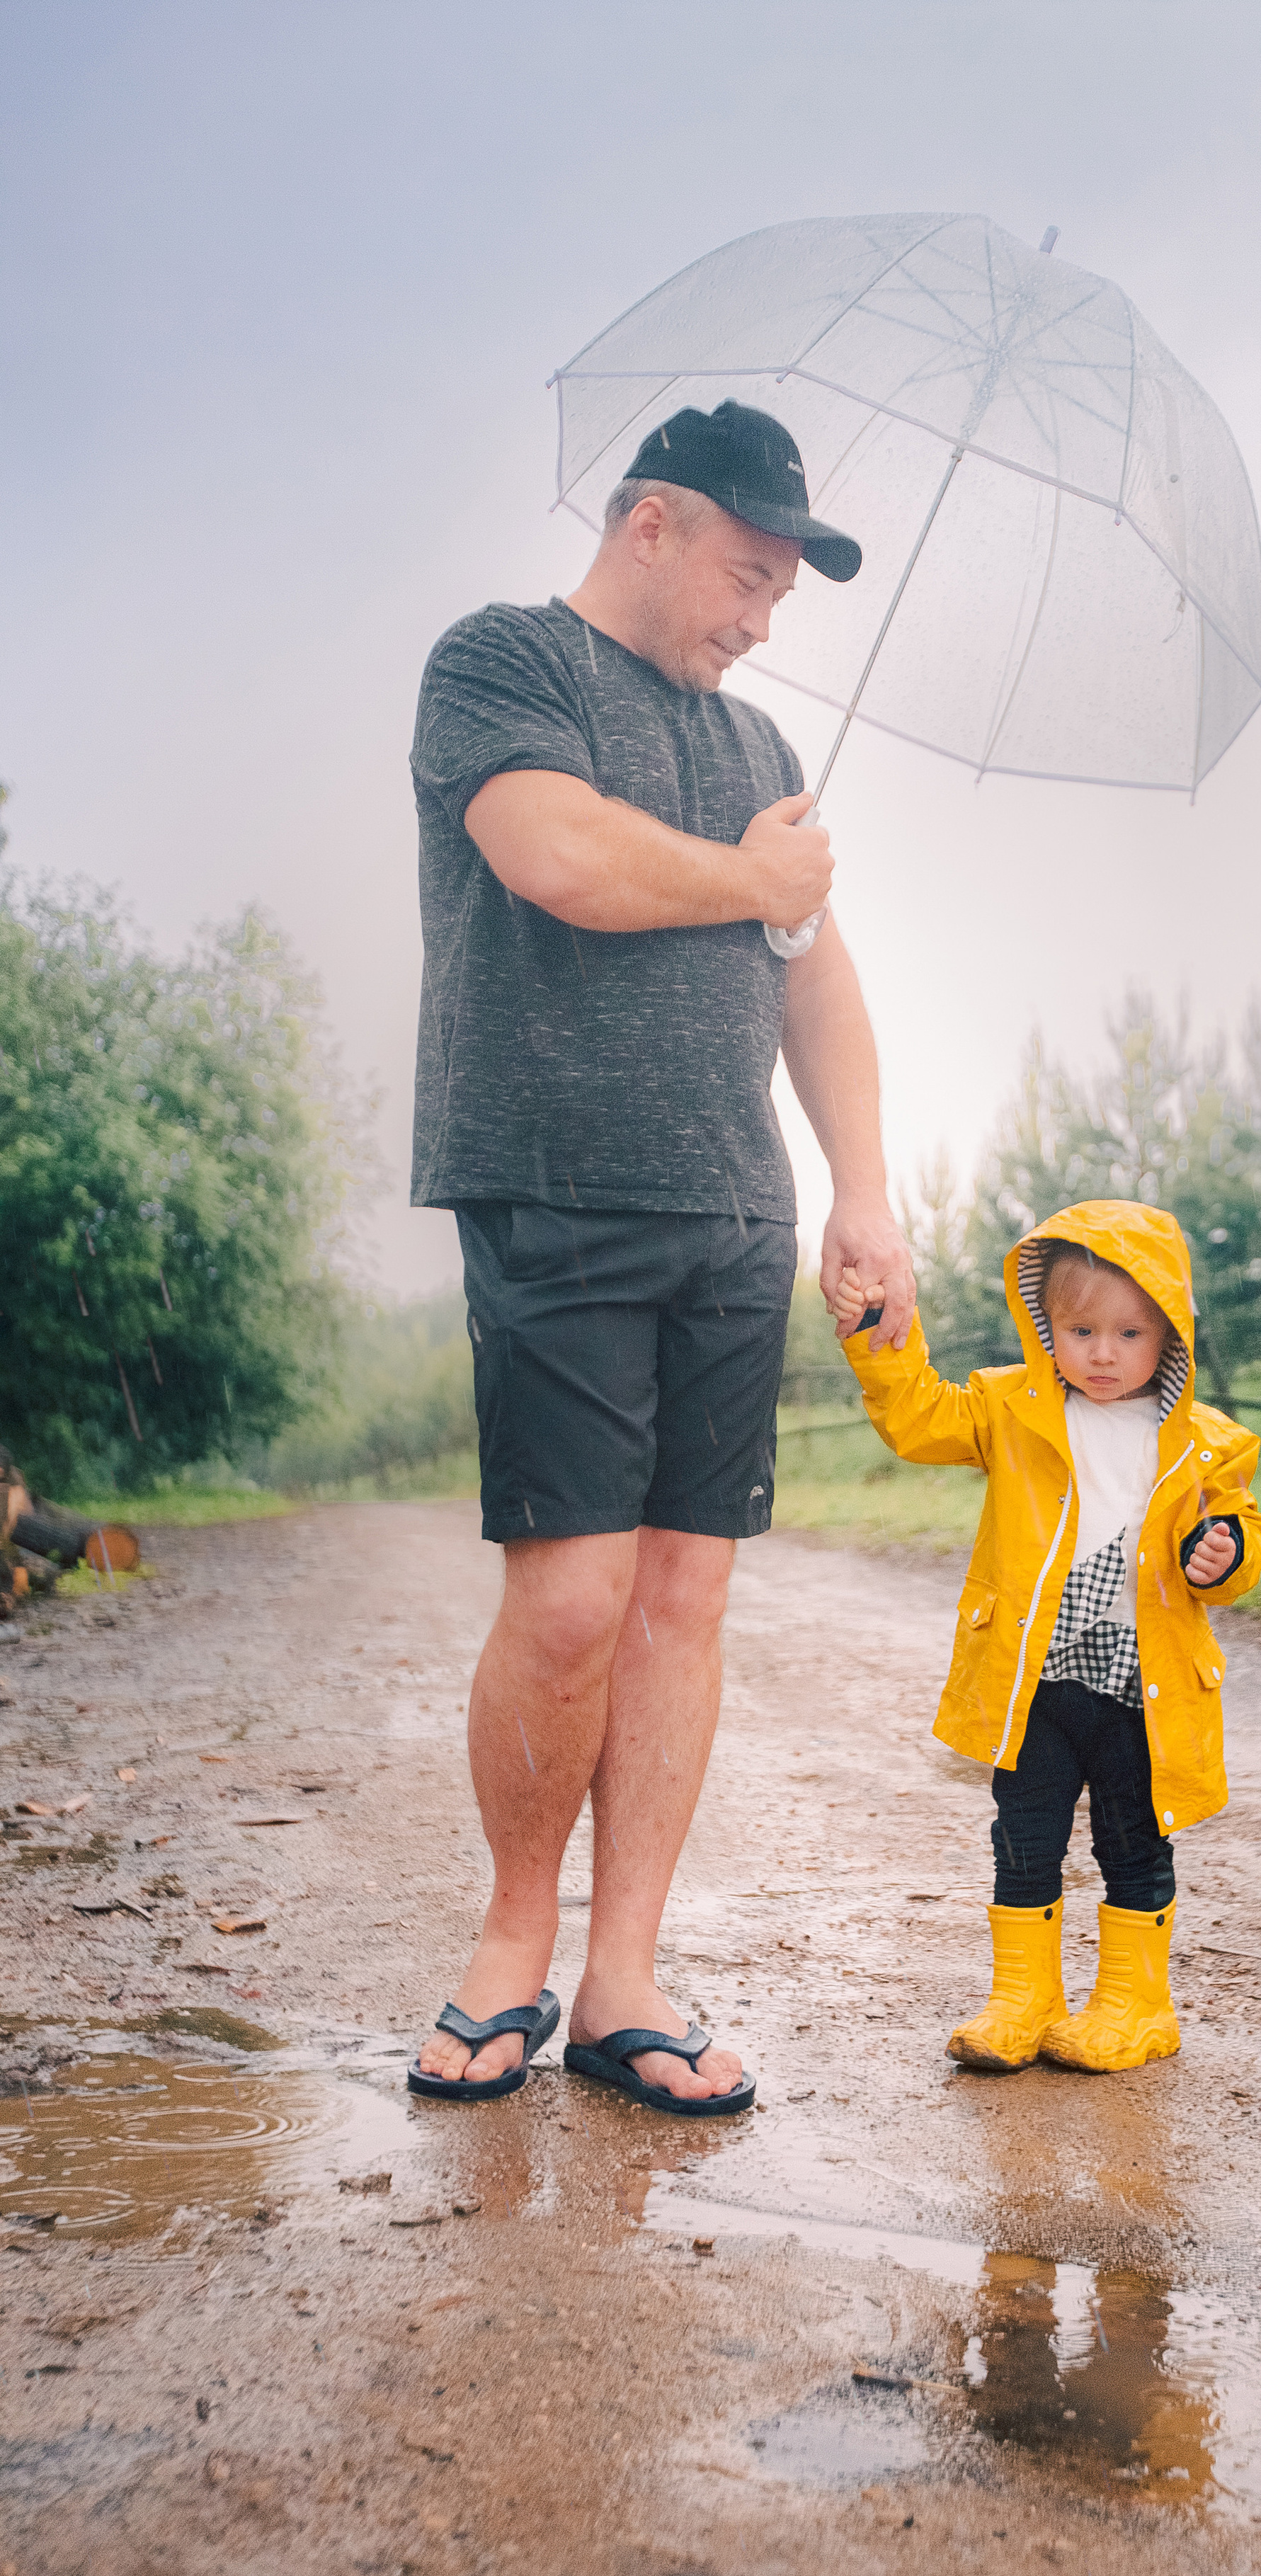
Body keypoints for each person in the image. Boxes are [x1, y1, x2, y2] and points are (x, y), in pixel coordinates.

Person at [405, 399, 915, 2111]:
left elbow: (815, 978)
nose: (762, 619)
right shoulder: (502, 664)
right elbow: (553, 854)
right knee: (567, 1597)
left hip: (730, 1210)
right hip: (552, 1187)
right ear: (650, 523)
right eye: (747, 574)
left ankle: (624, 1976)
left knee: (683, 1596)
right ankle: (506, 1947)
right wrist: (747, 873)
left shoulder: (763, 758)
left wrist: (862, 1187)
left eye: (781, 592)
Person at [833, 1202, 1261, 2074]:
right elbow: (915, 1418)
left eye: (1128, 1333)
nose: (1102, 1353)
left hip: (1140, 1690)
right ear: (1046, 1327)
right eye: (1080, 1329)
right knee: (1023, 1837)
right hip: (1035, 1682)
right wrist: (879, 1334)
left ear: (1169, 1336)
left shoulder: (1205, 1444)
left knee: (1132, 1839)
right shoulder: (1011, 1409)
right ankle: (1022, 1998)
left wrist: (1222, 1555)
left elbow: (1237, 1539)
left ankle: (1137, 2005)